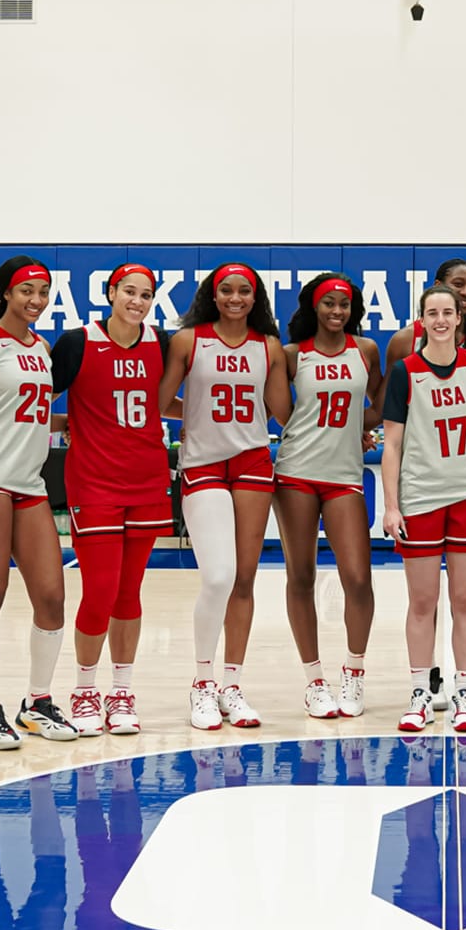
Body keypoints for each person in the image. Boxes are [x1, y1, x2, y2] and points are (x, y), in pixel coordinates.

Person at [157, 263, 289, 729]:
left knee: (245, 579)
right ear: (213, 295)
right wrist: (192, 412)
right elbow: (159, 402)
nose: (235, 298)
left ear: (256, 299)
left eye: (245, 291)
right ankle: (201, 683)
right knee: (218, 576)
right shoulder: (188, 341)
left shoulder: (268, 346)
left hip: (253, 462)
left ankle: (232, 685)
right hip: (203, 464)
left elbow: (282, 410)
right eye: (226, 290)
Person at [0, 257, 76, 749]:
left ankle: (37, 702)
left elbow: (35, 413)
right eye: (27, 291)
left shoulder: (43, 348)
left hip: (29, 483)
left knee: (51, 595)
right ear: (5, 292)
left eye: (43, 292)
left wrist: (79, 423)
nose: (36, 301)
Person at [52, 264, 174, 736]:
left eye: (146, 295)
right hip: (94, 482)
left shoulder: (160, 344)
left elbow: (167, 402)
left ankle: (121, 691)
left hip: (145, 481)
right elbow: (40, 395)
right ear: (110, 293)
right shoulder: (77, 342)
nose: (137, 302)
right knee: (99, 590)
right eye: (129, 292)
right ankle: (84, 691)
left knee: (129, 592)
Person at [381, 283, 466, 732]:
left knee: (465, 599)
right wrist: (391, 506)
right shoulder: (405, 370)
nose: (442, 320)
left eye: (448, 312)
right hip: (421, 497)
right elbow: (391, 445)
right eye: (433, 313)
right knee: (422, 601)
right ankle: (421, 691)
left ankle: (464, 690)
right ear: (422, 320)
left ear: (459, 318)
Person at [274, 273, 383, 720]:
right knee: (301, 576)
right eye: (329, 304)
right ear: (314, 307)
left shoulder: (366, 350)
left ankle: (354, 672)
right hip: (297, 471)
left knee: (357, 577)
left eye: (344, 304)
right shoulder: (291, 355)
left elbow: (377, 404)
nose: (337, 311)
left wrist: (361, 428)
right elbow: (284, 413)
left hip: (344, 476)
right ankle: (314, 680)